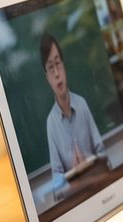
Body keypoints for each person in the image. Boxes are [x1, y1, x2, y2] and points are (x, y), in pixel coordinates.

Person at [42, 32, 104, 186]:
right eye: (51, 67)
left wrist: (89, 165)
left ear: (64, 65)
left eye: (58, 64)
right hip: (76, 197)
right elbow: (56, 179)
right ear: (47, 78)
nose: (57, 73)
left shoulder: (82, 104)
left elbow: (102, 153)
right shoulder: (51, 123)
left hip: (98, 183)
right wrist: (73, 177)